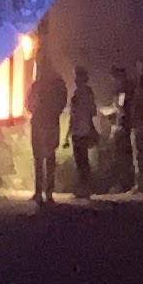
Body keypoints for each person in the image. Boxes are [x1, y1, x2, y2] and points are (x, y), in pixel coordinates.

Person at [27, 48, 66, 205]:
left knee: (41, 157)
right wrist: (54, 112)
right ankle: (47, 192)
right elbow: (62, 102)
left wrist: (36, 110)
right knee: (48, 157)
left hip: (41, 121)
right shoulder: (57, 84)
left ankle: (41, 192)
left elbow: (28, 103)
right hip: (49, 121)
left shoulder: (38, 84)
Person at [115, 64, 143, 193]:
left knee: (138, 157)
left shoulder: (129, 92)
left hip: (137, 126)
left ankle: (141, 185)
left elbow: (121, 108)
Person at [65, 65, 100, 198]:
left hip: (81, 131)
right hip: (81, 130)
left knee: (81, 161)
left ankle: (84, 188)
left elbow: (75, 115)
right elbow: (92, 112)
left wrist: (68, 134)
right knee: (82, 160)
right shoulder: (85, 93)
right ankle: (84, 187)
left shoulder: (80, 94)